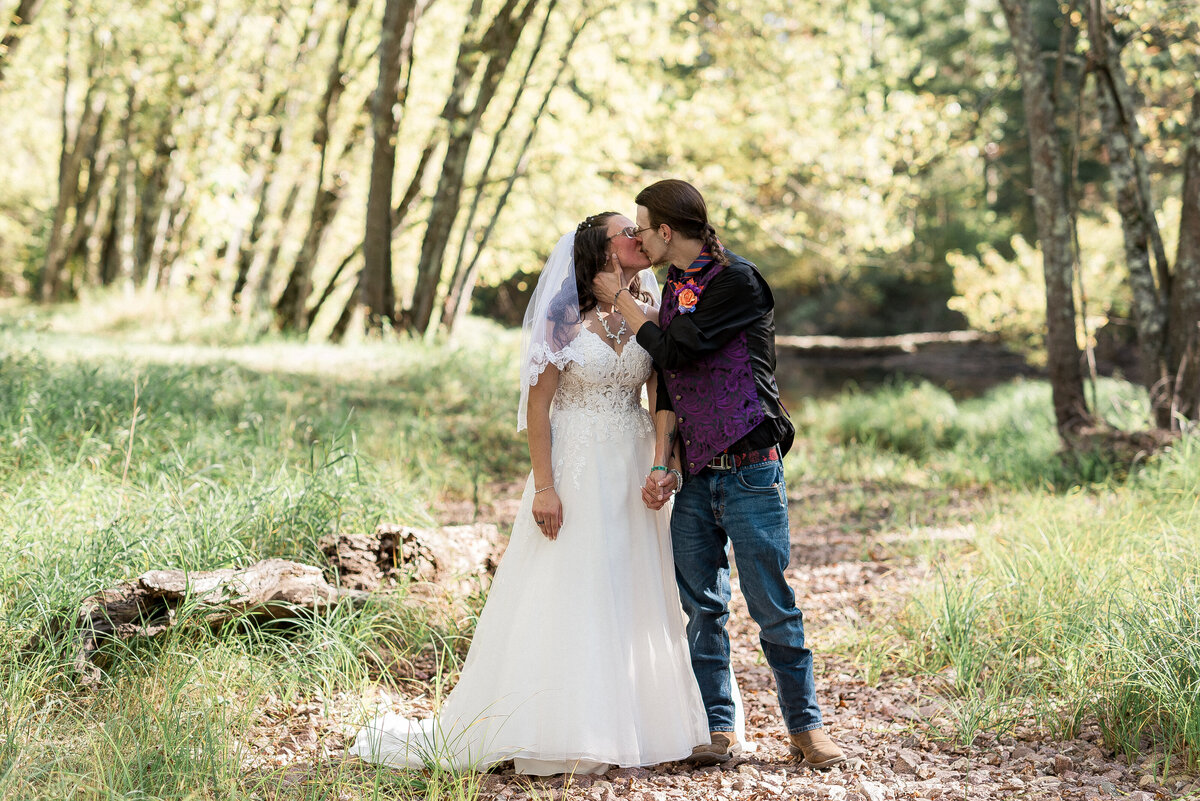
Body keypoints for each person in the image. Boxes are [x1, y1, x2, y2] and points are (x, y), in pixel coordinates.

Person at [347, 212, 710, 775]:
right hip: (576, 461)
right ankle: (558, 726)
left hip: (633, 460)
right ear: (601, 248)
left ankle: (633, 723)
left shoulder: (650, 308)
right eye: (625, 232)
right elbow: (538, 406)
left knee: (632, 582)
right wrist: (545, 487)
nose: (638, 238)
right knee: (571, 582)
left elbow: (663, 392)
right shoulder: (563, 315)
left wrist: (663, 463)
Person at [593, 179, 847, 769]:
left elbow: (679, 348)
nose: (636, 239)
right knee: (702, 609)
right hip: (695, 475)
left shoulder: (738, 280)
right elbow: (669, 381)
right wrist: (664, 461)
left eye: (641, 228)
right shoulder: (672, 285)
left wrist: (621, 299)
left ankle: (807, 729)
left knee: (772, 605)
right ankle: (718, 729)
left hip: (751, 470)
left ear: (665, 230)